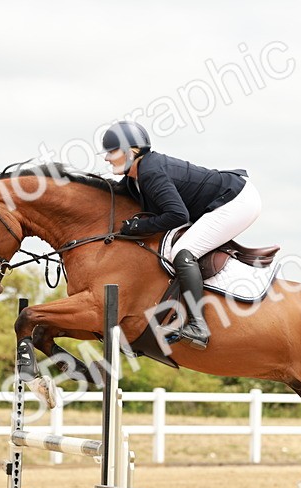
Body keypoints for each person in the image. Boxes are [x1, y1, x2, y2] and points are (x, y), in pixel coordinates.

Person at [102, 120, 262, 349]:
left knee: (183, 252)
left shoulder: (151, 172)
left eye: (111, 151)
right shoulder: (133, 178)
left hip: (238, 201)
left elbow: (177, 215)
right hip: (223, 198)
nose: (107, 158)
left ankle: (198, 326)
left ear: (131, 152)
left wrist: (136, 228)